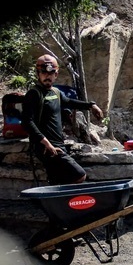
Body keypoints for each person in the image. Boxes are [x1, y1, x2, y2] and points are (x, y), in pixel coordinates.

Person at [21, 54, 104, 185]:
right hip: (45, 147)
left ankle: (57, 204)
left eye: (51, 73)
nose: (47, 76)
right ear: (38, 73)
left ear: (56, 74)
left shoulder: (56, 92)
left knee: (57, 182)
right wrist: (46, 143)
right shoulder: (33, 94)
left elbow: (70, 102)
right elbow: (27, 122)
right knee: (79, 175)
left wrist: (91, 105)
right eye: (43, 73)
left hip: (58, 145)